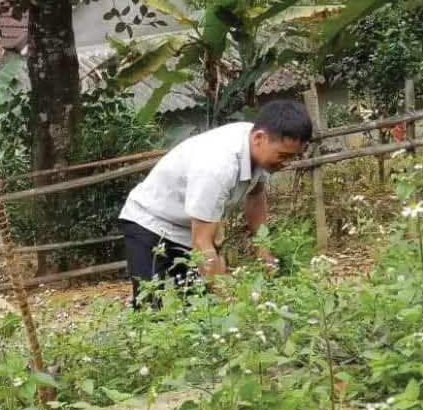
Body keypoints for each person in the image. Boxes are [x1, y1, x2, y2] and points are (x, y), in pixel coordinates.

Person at [118, 99, 313, 307]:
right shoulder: (217, 167)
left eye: (293, 157)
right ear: (259, 138)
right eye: (283, 156)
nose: (287, 163)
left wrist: (263, 246)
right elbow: (202, 244)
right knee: (150, 302)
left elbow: (256, 194)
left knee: (196, 305)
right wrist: (227, 298)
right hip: (149, 222)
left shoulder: (259, 144)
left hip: (190, 228)